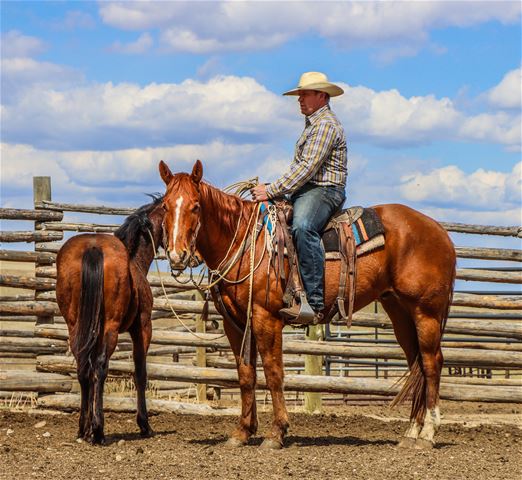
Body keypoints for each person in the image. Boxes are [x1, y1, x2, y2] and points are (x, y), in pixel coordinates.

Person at [251, 71, 347, 324]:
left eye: (304, 94)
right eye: (300, 94)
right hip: (308, 188)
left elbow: (306, 168)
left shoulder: (325, 126)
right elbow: (301, 169)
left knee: (304, 227)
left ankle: (314, 303)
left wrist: (271, 190)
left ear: (321, 96)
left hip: (324, 190)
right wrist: (276, 188)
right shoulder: (314, 124)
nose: (299, 99)